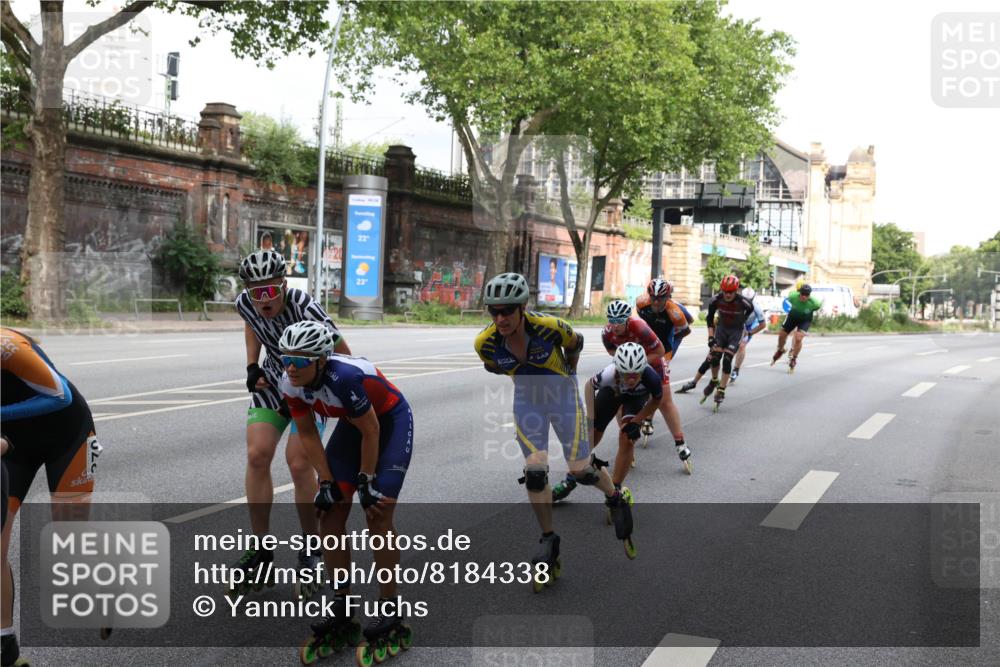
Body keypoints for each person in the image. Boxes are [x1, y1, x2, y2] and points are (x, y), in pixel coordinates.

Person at [474, 273, 634, 585]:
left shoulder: (550, 327)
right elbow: (492, 365)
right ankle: (549, 539)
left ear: (522, 307)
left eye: (507, 310)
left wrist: (570, 372)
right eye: (494, 311)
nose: (500, 318)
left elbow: (577, 343)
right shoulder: (485, 343)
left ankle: (615, 497)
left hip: (562, 397)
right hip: (527, 401)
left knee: (580, 470)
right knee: (535, 473)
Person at [278, 321, 414, 663]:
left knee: (377, 512)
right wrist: (325, 482)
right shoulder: (290, 381)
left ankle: (390, 608)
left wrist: (366, 480)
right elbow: (308, 434)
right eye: (286, 358)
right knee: (330, 510)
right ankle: (342, 603)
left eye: (300, 360)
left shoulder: (345, 378)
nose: (291, 367)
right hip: (355, 428)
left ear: (322, 360)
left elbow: (372, 431)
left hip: (389, 422)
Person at [233, 249, 352, 600]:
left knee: (299, 463)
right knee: (257, 455)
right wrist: (251, 365)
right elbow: (252, 324)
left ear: (284, 285)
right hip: (274, 382)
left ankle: (311, 548)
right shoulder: (246, 304)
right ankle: (261, 549)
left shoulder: (304, 305)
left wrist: (338, 387)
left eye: (271, 291)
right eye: (257, 293)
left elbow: (340, 347)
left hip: (310, 385)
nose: (264, 300)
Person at [1, 328, 106, 666]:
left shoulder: (6, 346)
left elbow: (60, 396)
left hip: (68, 435)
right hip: (13, 446)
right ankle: (6, 646)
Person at [585, 343, 663, 510]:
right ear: (618, 370)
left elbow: (656, 401)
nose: (631, 379)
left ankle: (615, 489)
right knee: (594, 430)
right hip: (613, 392)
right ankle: (574, 473)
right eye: (626, 374)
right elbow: (589, 386)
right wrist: (591, 418)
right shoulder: (609, 373)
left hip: (637, 398)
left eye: (636, 374)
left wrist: (637, 421)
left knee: (628, 437)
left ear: (643, 369)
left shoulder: (652, 377)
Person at [634, 279, 694, 470]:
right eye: (653, 298)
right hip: (646, 346)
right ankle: (644, 420)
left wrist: (669, 349)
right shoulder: (641, 303)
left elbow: (685, 330)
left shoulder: (675, 312)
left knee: (662, 394)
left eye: (661, 298)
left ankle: (679, 442)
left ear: (668, 297)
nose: (657, 302)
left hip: (664, 348)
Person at [700, 275, 756, 410]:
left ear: (736, 291)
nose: (728, 295)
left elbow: (750, 309)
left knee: (727, 359)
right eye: (725, 291)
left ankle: (721, 389)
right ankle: (714, 380)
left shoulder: (744, 302)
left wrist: (742, 320)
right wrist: (710, 337)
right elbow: (709, 319)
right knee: (715, 357)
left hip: (735, 333)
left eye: (731, 292)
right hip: (721, 331)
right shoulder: (715, 300)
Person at [772, 283, 823, 372]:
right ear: (799, 293)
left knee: (799, 338)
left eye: (806, 295)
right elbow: (786, 304)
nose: (804, 296)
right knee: (782, 335)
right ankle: (780, 350)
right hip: (792, 317)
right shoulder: (792, 296)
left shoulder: (815, 303)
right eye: (802, 294)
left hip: (805, 320)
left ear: (809, 295)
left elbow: (817, 308)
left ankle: (794, 358)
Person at [730, 286, 767, 383]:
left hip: (750, 325)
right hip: (739, 323)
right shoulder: (735, 303)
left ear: (753, 298)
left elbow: (763, 325)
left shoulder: (756, 307)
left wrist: (750, 332)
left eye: (749, 300)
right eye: (745, 299)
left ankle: (736, 369)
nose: (747, 302)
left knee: (742, 346)